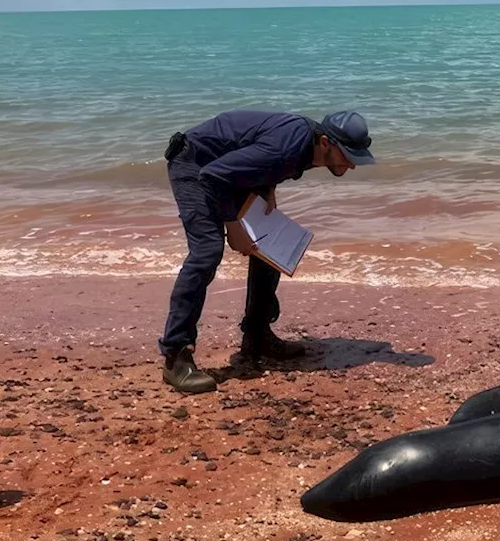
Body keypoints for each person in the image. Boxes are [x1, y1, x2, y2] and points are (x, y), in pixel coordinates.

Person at [158, 109, 376, 394]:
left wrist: (267, 189)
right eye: (348, 156)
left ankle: (257, 336)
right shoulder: (288, 147)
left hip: (224, 171)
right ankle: (176, 357)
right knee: (207, 252)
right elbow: (213, 176)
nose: (352, 165)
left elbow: (255, 156)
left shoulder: (304, 147)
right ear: (325, 143)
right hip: (196, 166)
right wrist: (233, 226)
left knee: (270, 241)